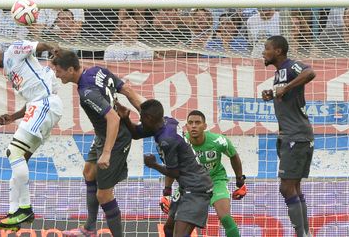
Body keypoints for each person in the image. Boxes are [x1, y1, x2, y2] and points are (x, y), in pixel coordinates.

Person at [51, 49, 143, 237]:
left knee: (104, 195)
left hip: (116, 139)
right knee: (89, 172)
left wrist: (107, 152)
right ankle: (89, 229)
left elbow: (114, 119)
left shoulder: (86, 91)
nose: (56, 74)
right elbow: (127, 89)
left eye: (58, 71)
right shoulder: (97, 70)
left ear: (70, 70)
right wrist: (144, 110)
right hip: (103, 135)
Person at [0, 40, 62, 230]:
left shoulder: (13, 51)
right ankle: (14, 214)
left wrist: (52, 49)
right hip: (37, 106)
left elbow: (40, 44)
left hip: (45, 105)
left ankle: (25, 209)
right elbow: (32, 98)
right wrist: (13, 117)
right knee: (17, 162)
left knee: (13, 152)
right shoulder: (10, 70)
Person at [116, 99, 213, 237]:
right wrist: (125, 118)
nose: (140, 121)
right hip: (187, 187)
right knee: (168, 230)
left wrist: (153, 165)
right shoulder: (167, 122)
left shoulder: (167, 140)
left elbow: (174, 172)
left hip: (197, 188)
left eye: (142, 118)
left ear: (149, 118)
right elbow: (136, 134)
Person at [261, 35, 315, 237]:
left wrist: (285, 88)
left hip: (296, 136)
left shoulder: (291, 66)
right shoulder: (279, 74)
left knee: (286, 188)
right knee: (294, 187)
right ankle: (305, 233)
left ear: (278, 51)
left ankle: (301, 234)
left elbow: (310, 72)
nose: (263, 52)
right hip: (293, 135)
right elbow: (285, 94)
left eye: (266, 48)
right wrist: (272, 93)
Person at [161, 109, 246, 237]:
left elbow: (234, 156)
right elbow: (172, 167)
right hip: (190, 184)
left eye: (197, 122)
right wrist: (166, 193)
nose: (194, 125)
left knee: (225, 217)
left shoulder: (218, 141)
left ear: (205, 126)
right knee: (169, 225)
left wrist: (240, 181)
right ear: (187, 126)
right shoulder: (180, 143)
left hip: (215, 181)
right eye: (190, 123)